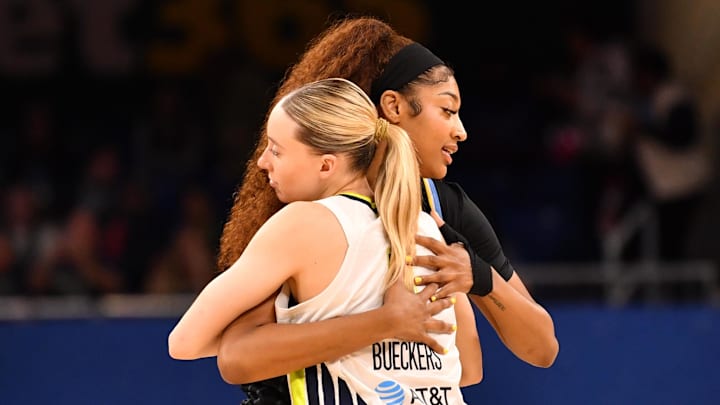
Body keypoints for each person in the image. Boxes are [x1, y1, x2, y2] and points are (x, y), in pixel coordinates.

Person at [214, 16, 559, 403]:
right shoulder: (311, 206)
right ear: (393, 106)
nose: (461, 130)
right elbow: (238, 357)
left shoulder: (443, 208)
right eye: (447, 111)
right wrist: (381, 325)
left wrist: (478, 276)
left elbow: (537, 349)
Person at [168, 77, 482, 404]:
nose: (263, 163)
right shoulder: (426, 225)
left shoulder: (304, 222)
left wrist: (370, 325)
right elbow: (469, 368)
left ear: (326, 165)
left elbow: (185, 341)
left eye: (276, 149)